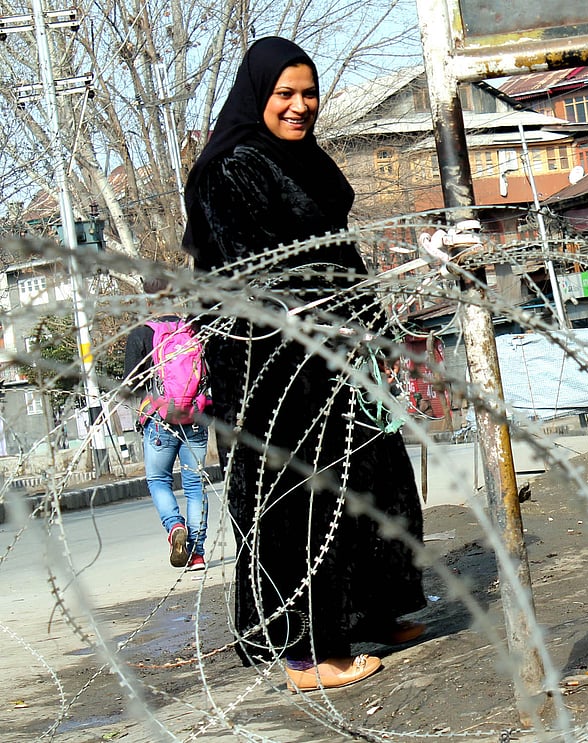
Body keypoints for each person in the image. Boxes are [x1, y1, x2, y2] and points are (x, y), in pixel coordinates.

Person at [182, 36, 426, 693]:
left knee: (373, 472)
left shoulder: (305, 161)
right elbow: (251, 269)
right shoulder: (230, 168)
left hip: (334, 349)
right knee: (301, 497)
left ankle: (373, 610)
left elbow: (337, 258)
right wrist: (315, 316)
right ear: (257, 95)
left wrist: (374, 331)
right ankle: (307, 653)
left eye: (308, 93)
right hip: (270, 363)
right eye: (284, 94)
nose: (299, 106)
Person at [124, 276, 210, 571]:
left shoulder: (142, 334)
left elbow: (131, 384)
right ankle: (197, 554)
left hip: (159, 421)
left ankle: (175, 527)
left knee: (158, 480)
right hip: (194, 418)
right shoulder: (194, 330)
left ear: (148, 301)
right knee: (195, 485)